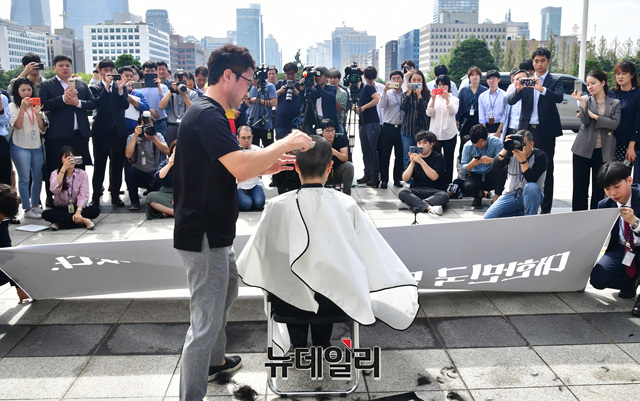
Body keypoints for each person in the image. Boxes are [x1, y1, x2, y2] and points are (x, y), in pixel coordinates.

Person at [173, 43, 312, 401]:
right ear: (228, 75)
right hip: (203, 232)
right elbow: (238, 165)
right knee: (204, 322)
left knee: (227, 292)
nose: (249, 91)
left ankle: (215, 361)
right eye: (248, 82)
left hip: (215, 227)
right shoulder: (207, 114)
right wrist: (284, 143)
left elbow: (230, 166)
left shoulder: (212, 113)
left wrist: (265, 164)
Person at [237, 135, 418, 351]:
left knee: (289, 278)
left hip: (287, 302)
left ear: (296, 166)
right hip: (334, 301)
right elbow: (371, 253)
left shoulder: (277, 205)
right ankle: (322, 345)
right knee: (329, 278)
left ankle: (299, 346)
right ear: (330, 166)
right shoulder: (346, 204)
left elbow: (258, 256)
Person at [508, 47, 564, 214]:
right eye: (536, 61)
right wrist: (518, 88)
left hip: (545, 132)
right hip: (526, 132)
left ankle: (546, 210)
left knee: (547, 169)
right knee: (522, 166)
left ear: (548, 61)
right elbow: (510, 101)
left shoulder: (554, 81)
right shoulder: (527, 81)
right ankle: (523, 204)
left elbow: (559, 97)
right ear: (533, 63)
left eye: (543, 61)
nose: (539, 64)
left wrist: (542, 89)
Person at [39, 54, 97, 207]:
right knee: (55, 166)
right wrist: (63, 99)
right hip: (58, 136)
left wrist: (77, 103)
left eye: (67, 65)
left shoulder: (81, 84)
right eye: (61, 65)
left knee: (79, 166)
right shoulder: (47, 85)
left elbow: (92, 103)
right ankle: (52, 199)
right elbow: (43, 104)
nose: (64, 68)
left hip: (79, 135)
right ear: (54, 68)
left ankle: (79, 200)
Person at [590, 162, 640, 315]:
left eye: (617, 187)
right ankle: (631, 282)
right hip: (622, 248)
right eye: (607, 189)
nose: (613, 193)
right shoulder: (605, 205)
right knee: (598, 279)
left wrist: (635, 222)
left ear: (629, 180)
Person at [571, 70, 621, 211]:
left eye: (593, 83)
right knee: (580, 186)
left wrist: (596, 117)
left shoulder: (615, 103)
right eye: (588, 84)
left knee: (599, 187)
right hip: (582, 149)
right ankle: (578, 217)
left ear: (602, 83)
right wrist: (583, 105)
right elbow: (585, 121)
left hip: (603, 150)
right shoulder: (585, 100)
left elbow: (614, 124)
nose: (590, 87)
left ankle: (596, 216)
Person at [89, 58, 130, 208]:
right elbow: (98, 104)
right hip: (101, 131)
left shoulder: (119, 86)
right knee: (99, 165)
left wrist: (120, 89)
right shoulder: (95, 87)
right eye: (105, 70)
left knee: (117, 165)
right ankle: (96, 196)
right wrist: (106, 87)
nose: (109, 73)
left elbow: (125, 105)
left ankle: (115, 195)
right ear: (100, 72)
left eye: (111, 70)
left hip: (118, 131)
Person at [483, 130, 548, 219]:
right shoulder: (511, 153)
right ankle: (519, 213)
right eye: (518, 144)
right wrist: (505, 148)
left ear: (532, 144)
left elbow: (532, 179)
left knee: (531, 187)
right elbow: (495, 167)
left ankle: (530, 218)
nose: (520, 148)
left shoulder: (540, 156)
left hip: (529, 195)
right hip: (510, 195)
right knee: (488, 218)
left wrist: (523, 160)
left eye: (524, 145)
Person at [9, 77, 46, 219]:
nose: (26, 93)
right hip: (20, 145)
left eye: (29, 89)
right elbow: (17, 126)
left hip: (37, 145)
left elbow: (43, 129)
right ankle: (26, 207)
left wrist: (37, 113)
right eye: (23, 90)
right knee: (24, 178)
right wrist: (23, 108)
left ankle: (35, 204)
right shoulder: (13, 106)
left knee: (38, 176)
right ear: (17, 91)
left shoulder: (36, 104)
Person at [42, 146, 100, 230]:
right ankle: (83, 221)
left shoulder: (82, 174)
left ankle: (60, 222)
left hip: (77, 208)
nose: (70, 160)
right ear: (61, 160)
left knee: (95, 210)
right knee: (46, 214)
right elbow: (54, 190)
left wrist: (78, 212)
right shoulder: (55, 173)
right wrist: (63, 169)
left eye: (72, 157)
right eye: (66, 158)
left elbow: (84, 195)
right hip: (61, 208)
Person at [125, 113, 170, 211]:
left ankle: (152, 191)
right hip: (139, 172)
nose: (147, 128)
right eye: (144, 126)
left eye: (150, 125)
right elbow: (128, 155)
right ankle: (134, 202)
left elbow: (167, 151)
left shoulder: (157, 136)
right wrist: (135, 136)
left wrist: (153, 138)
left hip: (154, 174)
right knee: (130, 172)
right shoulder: (132, 137)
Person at [397, 130, 448, 215]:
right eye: (419, 143)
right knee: (402, 191)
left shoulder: (438, 158)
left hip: (435, 190)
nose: (421, 145)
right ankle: (429, 208)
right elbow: (405, 179)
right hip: (418, 190)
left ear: (431, 144)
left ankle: (410, 204)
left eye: (424, 143)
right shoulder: (415, 158)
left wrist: (421, 162)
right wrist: (412, 163)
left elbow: (434, 177)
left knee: (444, 196)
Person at [608, 61, 640, 180]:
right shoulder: (612, 93)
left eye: (624, 73)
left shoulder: (637, 94)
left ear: (632, 75)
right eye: (618, 74)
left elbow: (638, 122)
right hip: (609, 143)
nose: (620, 77)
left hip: (626, 146)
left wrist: (631, 146)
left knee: (620, 177)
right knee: (607, 177)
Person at [0, 183, 31, 303]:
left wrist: (19, 286)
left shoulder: (3, 221)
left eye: (4, 219)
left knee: (5, 271)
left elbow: (7, 251)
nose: (1, 222)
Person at [427, 74, 459, 186]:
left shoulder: (454, 99)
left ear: (448, 86)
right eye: (439, 85)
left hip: (449, 134)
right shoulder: (433, 99)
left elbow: (453, 111)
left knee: (449, 159)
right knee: (435, 159)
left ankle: (447, 183)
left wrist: (447, 99)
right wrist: (432, 100)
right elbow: (429, 113)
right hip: (435, 134)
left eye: (444, 85)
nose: (441, 87)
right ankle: (436, 183)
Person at [460, 124, 504, 206]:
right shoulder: (468, 146)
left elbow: (503, 161)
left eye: (481, 141)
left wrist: (492, 160)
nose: (479, 144)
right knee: (468, 186)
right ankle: (479, 195)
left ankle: (496, 197)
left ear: (486, 137)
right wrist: (471, 164)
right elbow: (463, 168)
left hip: (491, 173)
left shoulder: (496, 142)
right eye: (476, 143)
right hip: (476, 174)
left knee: (502, 170)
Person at [355, 66, 381, 187]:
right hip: (364, 122)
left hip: (371, 122)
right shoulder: (362, 88)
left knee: (371, 150)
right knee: (365, 149)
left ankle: (374, 176)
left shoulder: (368, 87)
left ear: (364, 76)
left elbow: (377, 99)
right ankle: (368, 174)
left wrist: (363, 108)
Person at [379, 70, 405, 188]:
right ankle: (384, 180)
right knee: (385, 154)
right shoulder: (387, 93)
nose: (396, 80)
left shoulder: (406, 94)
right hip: (388, 127)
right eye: (393, 78)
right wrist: (384, 91)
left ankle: (397, 179)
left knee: (399, 155)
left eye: (398, 78)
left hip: (401, 127)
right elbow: (382, 105)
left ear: (402, 80)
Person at [160, 69, 199, 145]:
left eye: (184, 82)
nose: (182, 84)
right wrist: (171, 91)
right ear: (175, 81)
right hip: (172, 126)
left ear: (187, 81)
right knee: (171, 149)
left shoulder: (193, 94)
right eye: (179, 82)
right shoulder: (170, 93)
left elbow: (193, 110)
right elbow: (161, 106)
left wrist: (184, 95)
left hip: (186, 126)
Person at [456, 66, 487, 157]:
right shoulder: (463, 90)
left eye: (476, 75)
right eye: (472, 75)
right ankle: (463, 158)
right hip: (466, 119)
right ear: (469, 77)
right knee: (464, 140)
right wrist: (457, 120)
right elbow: (459, 107)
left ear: (480, 76)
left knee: (479, 139)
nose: (474, 77)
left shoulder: (484, 90)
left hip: (478, 118)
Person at [320, 118, 353, 195]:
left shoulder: (340, 138)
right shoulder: (319, 140)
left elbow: (345, 158)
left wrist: (335, 153)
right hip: (323, 173)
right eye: (327, 131)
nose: (330, 134)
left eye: (332, 130)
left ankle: (347, 194)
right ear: (322, 132)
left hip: (337, 171)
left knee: (349, 166)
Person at [236, 126, 265, 211]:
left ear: (252, 137)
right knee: (247, 205)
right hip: (239, 186)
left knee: (259, 204)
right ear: (238, 138)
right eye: (243, 138)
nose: (246, 141)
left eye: (249, 137)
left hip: (255, 184)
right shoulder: (234, 152)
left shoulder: (258, 150)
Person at [146, 140, 177, 220]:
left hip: (183, 194)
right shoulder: (165, 163)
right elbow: (158, 177)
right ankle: (173, 212)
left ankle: (173, 212)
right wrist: (169, 164)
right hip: (166, 193)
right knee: (151, 197)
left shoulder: (189, 164)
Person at [245, 74, 277, 147]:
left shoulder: (269, 86)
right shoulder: (250, 87)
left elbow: (274, 103)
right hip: (253, 123)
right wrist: (247, 99)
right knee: (253, 148)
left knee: (269, 148)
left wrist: (258, 101)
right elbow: (249, 105)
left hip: (266, 123)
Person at [139, 61, 170, 135]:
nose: (150, 73)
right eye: (147, 71)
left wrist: (158, 86)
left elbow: (164, 102)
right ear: (143, 72)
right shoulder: (139, 87)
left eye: (152, 71)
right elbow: (137, 104)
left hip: (160, 122)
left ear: (156, 72)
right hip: (144, 121)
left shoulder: (163, 87)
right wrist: (149, 111)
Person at [274, 62, 301, 140]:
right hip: (281, 122)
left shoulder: (300, 85)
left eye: (292, 74)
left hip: (296, 121)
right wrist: (280, 91)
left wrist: (297, 93)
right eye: (287, 74)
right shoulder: (279, 84)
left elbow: (305, 99)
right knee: (281, 144)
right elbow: (271, 97)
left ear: (296, 73)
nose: (289, 76)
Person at [478, 70, 507, 137]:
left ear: (499, 79)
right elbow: (481, 115)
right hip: (486, 126)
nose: (491, 80)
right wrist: (485, 131)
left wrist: (498, 132)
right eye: (489, 79)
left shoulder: (505, 95)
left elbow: (505, 115)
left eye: (494, 78)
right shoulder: (482, 96)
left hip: (500, 126)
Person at [0, 93, 10, 187]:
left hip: (1, 138)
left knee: (4, 176)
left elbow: (6, 122)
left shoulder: (3, 98)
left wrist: (1, 110)